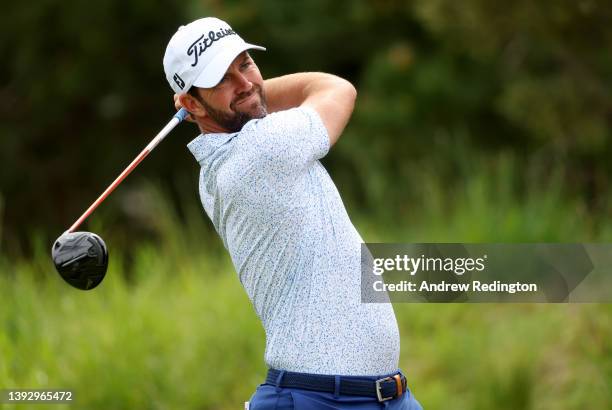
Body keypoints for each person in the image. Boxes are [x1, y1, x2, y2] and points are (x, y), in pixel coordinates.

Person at [163, 17, 422, 409]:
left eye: (245, 64)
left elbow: (253, 97)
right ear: (191, 103)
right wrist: (254, 93)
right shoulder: (262, 150)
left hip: (377, 395)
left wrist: (243, 93)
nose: (245, 82)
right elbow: (336, 88)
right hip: (320, 398)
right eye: (222, 79)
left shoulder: (218, 168)